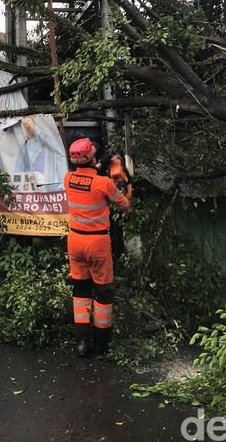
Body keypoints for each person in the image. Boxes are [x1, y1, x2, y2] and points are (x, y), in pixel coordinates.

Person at [63, 138, 130, 358]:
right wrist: (125, 184)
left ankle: (82, 343)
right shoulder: (104, 184)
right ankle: (102, 345)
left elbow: (86, 177)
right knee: (103, 292)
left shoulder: (67, 179)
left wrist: (101, 164)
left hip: (75, 241)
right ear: (91, 157)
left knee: (81, 291)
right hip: (97, 243)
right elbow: (124, 205)